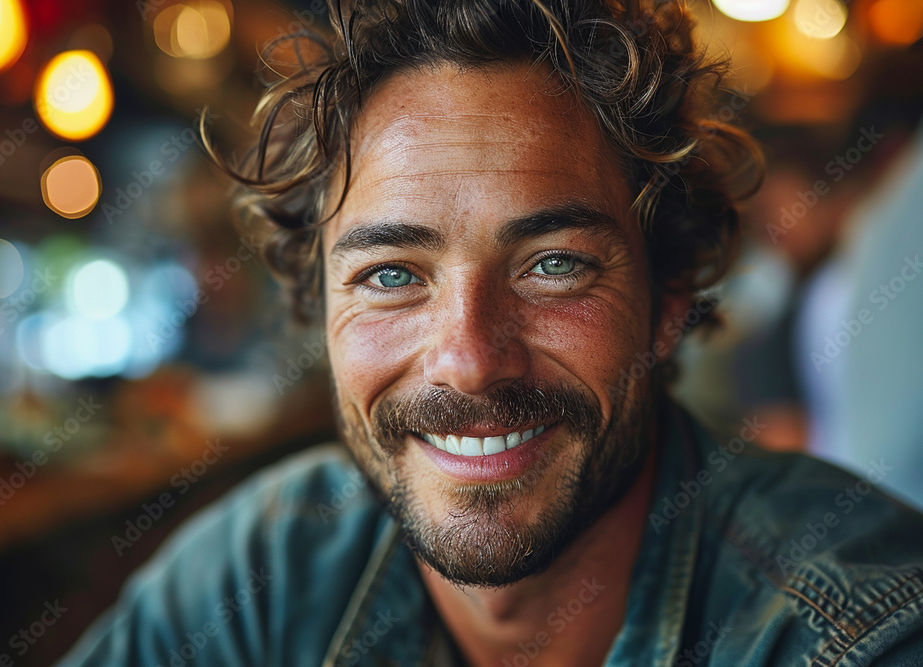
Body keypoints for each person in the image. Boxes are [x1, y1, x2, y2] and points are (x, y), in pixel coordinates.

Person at [59, 1, 923, 665]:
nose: (469, 361)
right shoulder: (261, 570)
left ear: (668, 296)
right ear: (321, 308)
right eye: (392, 275)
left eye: (553, 265)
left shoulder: (853, 626)